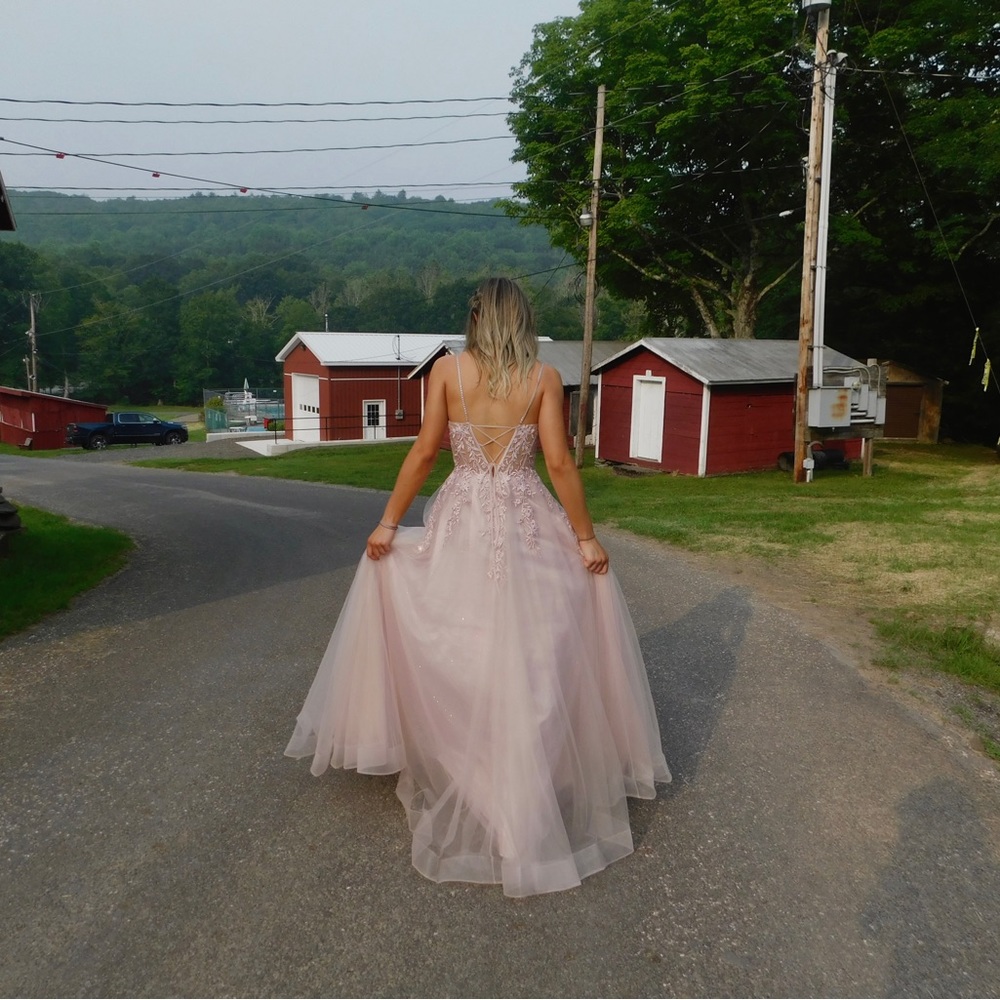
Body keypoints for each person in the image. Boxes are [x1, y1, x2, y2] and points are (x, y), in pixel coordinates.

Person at [285, 277, 670, 897]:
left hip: (462, 513)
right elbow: (561, 464)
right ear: (521, 318)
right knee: (536, 651)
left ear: (475, 317)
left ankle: (489, 779)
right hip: (526, 518)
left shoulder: (448, 374)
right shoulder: (543, 377)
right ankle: (518, 788)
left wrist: (388, 524)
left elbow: (423, 454)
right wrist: (586, 537)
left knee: (462, 642)